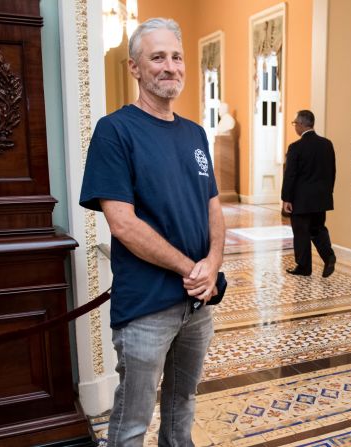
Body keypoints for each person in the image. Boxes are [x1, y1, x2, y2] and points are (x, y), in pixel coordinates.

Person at [79, 18, 225, 446]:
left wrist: (212, 266)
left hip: (198, 305)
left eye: (176, 57)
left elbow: (213, 208)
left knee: (183, 409)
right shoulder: (115, 131)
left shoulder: (195, 133)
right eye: (157, 57)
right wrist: (192, 269)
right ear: (135, 68)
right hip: (146, 306)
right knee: (131, 422)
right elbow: (122, 223)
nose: (170, 66)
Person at [281, 110, 337, 277]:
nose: (295, 126)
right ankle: (329, 256)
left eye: (295, 123)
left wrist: (286, 199)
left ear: (301, 124)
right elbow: (332, 172)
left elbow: (290, 175)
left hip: (301, 200)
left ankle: (304, 267)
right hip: (321, 198)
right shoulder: (327, 144)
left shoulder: (295, 147)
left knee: (301, 233)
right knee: (318, 229)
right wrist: (327, 193)